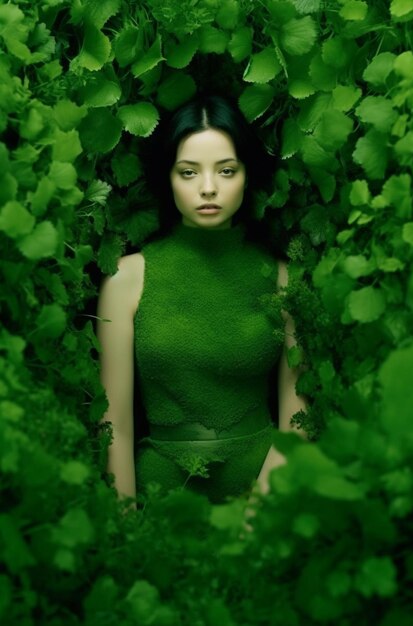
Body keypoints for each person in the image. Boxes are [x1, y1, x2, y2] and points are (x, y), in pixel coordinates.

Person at [96, 95, 306, 504]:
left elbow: (297, 418)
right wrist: (127, 527)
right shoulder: (127, 280)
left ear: (247, 175)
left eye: (226, 171)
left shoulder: (283, 277)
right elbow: (114, 423)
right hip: (162, 497)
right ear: (167, 178)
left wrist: (257, 517)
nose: (208, 188)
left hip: (264, 493)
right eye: (188, 172)